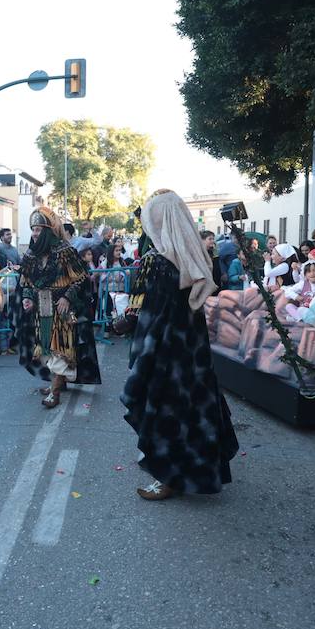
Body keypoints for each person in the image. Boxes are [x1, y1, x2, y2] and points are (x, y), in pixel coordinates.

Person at [122, 190, 238, 500]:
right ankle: (193, 471)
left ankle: (169, 476)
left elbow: (154, 314)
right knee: (195, 409)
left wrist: (142, 351)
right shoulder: (196, 255)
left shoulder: (162, 262)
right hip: (193, 348)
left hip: (167, 351)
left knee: (167, 411)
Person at [17, 206, 101, 408]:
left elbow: (81, 279)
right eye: (33, 230)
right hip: (41, 309)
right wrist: (27, 298)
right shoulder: (30, 255)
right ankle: (58, 381)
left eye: (38, 229)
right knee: (46, 349)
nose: (35, 234)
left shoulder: (65, 251)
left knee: (60, 349)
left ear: (47, 230)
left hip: (62, 310)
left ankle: (54, 393)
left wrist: (67, 297)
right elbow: (26, 282)